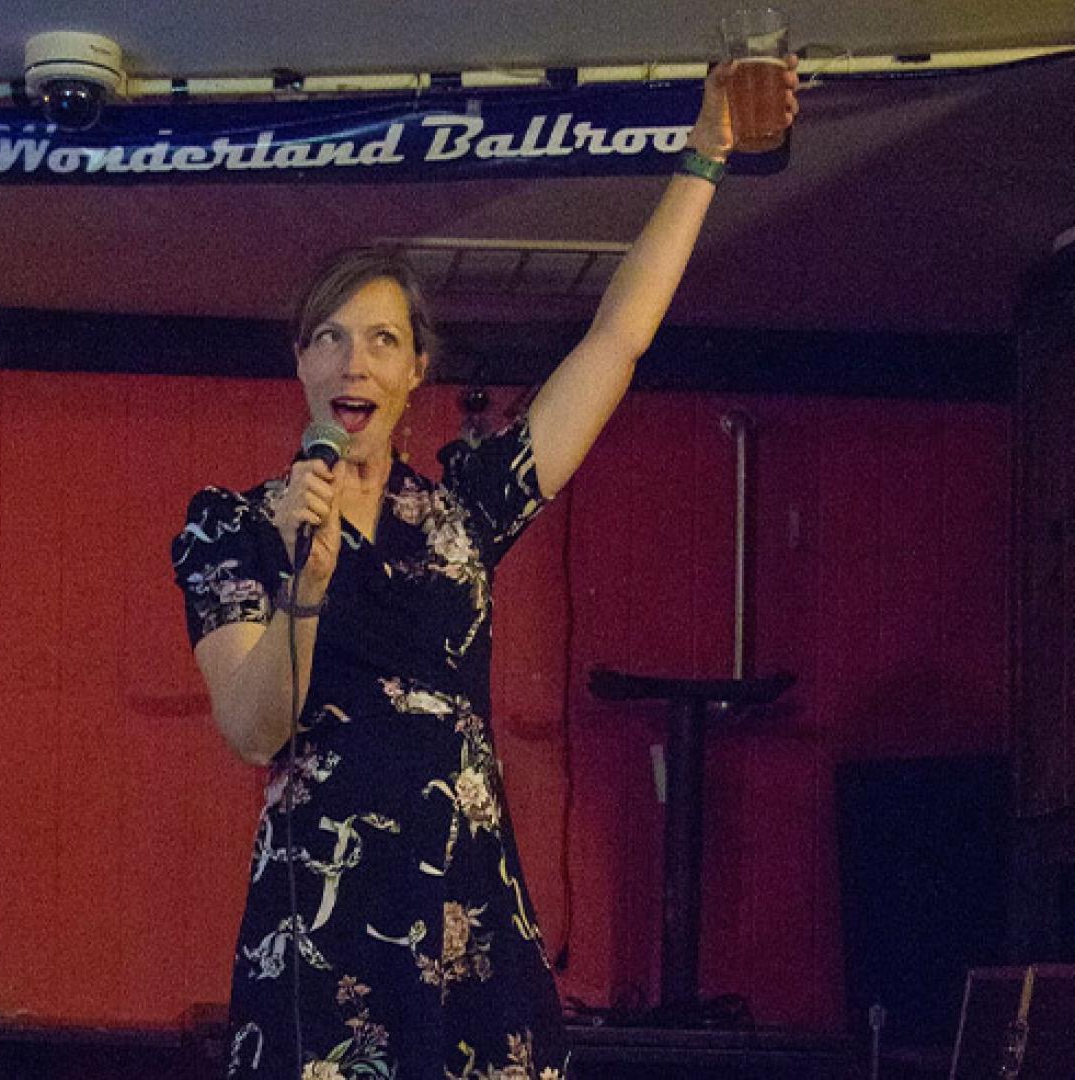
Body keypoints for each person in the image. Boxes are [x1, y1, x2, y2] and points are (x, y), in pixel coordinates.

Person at [172, 59, 798, 1080]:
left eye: (381, 339)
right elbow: (252, 729)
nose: (353, 361)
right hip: (327, 938)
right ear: (301, 363)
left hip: (468, 921)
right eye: (329, 338)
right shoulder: (235, 529)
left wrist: (706, 155)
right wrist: (308, 574)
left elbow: (615, 343)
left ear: (418, 370)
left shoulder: (461, 512)